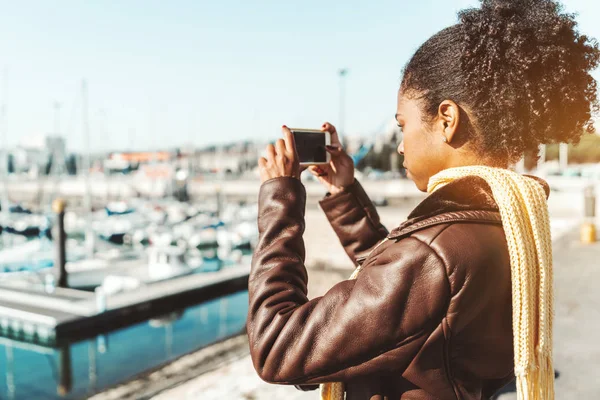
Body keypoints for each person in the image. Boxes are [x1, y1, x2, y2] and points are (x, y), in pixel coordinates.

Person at [246, 0, 599, 399]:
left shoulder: (434, 253)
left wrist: (280, 199)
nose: (399, 147)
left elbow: (278, 347)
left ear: (447, 120)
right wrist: (344, 193)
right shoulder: (499, 221)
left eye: (403, 125)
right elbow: (394, 294)